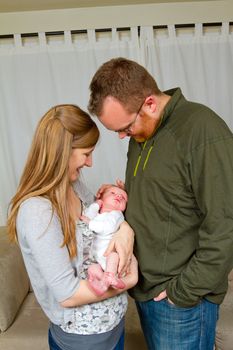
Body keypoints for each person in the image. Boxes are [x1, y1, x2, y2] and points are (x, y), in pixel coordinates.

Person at [88, 57, 233, 350]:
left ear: (151, 104)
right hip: (145, 289)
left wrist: (183, 291)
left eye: (125, 127)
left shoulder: (203, 132)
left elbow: (224, 223)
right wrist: (119, 208)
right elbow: (167, 197)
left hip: (180, 301)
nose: (120, 136)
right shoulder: (142, 133)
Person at [7, 104, 138, 350]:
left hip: (113, 324)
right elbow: (68, 295)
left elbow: (104, 227)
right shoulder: (37, 211)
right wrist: (130, 280)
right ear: (62, 152)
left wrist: (124, 229)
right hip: (84, 340)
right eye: (86, 153)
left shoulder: (74, 186)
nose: (90, 163)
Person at [81, 185, 128, 296]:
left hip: (108, 254)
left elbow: (108, 228)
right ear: (102, 198)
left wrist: (90, 223)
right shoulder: (97, 214)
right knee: (92, 268)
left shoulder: (116, 214)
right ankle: (103, 282)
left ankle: (110, 276)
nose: (118, 196)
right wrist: (96, 205)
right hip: (96, 256)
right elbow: (86, 216)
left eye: (123, 198)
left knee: (114, 255)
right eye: (112, 193)